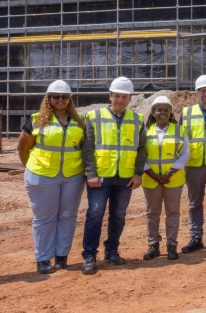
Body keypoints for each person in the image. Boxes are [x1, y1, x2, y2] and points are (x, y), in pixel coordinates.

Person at [16, 80, 86, 274]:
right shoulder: (37, 120)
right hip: (42, 175)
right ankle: (44, 258)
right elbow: (23, 147)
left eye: (64, 96)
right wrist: (30, 166)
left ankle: (62, 256)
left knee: (68, 216)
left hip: (73, 175)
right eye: (56, 96)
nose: (60, 100)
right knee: (44, 218)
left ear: (70, 99)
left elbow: (83, 147)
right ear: (49, 99)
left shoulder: (80, 121)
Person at [80, 76, 146, 274]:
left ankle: (112, 252)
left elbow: (142, 148)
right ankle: (89, 255)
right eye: (117, 96)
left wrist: (138, 173)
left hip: (125, 177)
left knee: (118, 215)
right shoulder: (94, 117)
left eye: (124, 97)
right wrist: (91, 173)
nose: (120, 100)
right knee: (95, 213)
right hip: (100, 176)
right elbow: (87, 147)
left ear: (130, 99)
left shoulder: (137, 120)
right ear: (110, 96)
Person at [141, 95, 190, 261]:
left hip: (173, 180)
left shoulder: (178, 130)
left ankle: (171, 245)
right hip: (151, 179)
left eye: (166, 110)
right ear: (153, 112)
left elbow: (185, 154)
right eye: (159, 110)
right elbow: (140, 155)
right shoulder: (145, 131)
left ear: (170, 112)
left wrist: (169, 173)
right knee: (152, 213)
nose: (162, 112)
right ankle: (153, 245)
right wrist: (152, 174)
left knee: (173, 212)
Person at [180, 75, 206, 253]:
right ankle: (196, 237)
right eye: (202, 90)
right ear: (196, 93)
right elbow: (181, 140)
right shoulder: (187, 113)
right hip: (193, 165)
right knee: (194, 203)